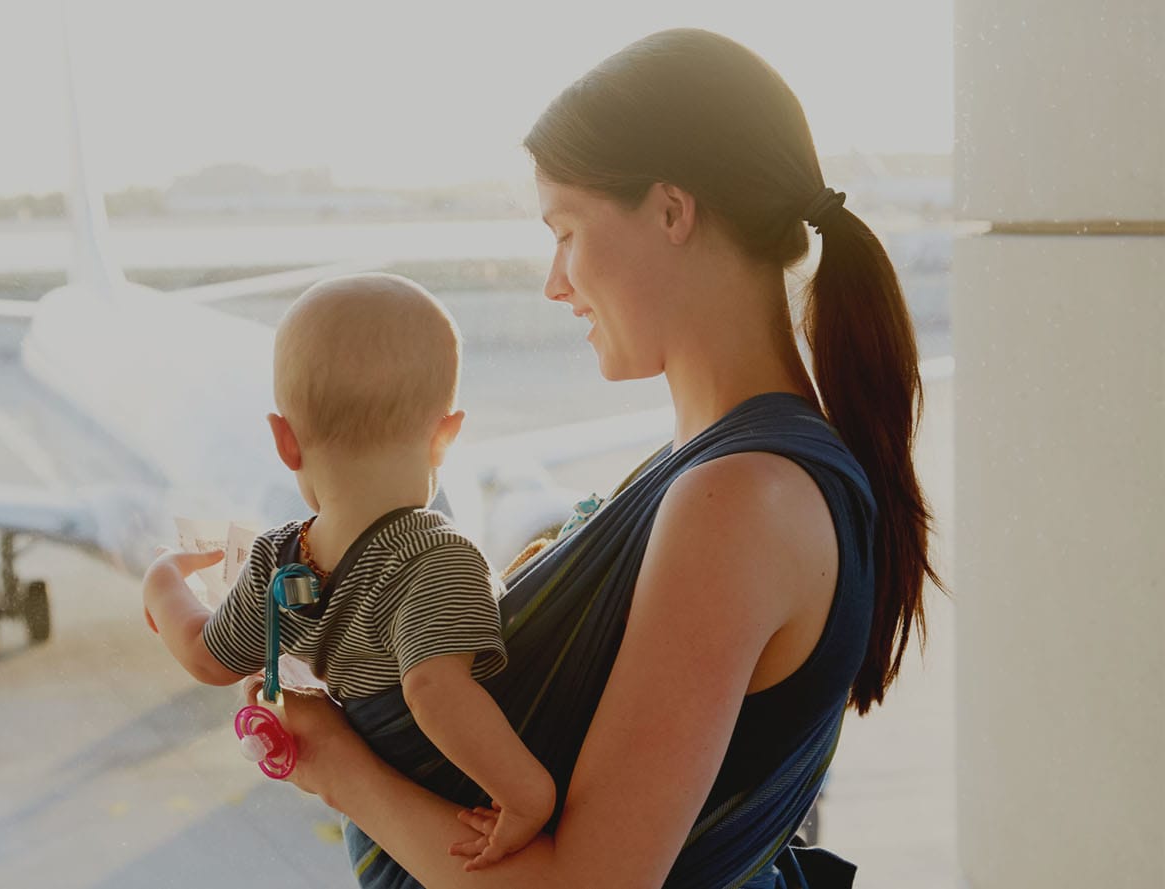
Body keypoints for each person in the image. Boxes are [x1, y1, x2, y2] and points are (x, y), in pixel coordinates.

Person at [244, 28, 939, 889]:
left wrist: (340, 768)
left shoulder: (737, 498)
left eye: (567, 230)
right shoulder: (719, 467)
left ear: (671, 210)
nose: (555, 280)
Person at [142, 272, 557, 868]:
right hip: (436, 825)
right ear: (446, 436)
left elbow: (207, 656)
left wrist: (163, 585)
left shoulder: (275, 558)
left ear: (285, 441)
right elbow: (432, 686)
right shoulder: (440, 555)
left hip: (376, 842)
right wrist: (526, 795)